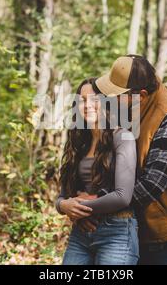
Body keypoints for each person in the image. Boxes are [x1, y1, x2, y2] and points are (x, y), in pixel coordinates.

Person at [77, 55, 167, 265]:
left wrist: (94, 207)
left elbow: (151, 184)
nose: (109, 98)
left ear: (142, 95)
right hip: (135, 226)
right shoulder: (131, 108)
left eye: (116, 94)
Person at [56, 78, 139, 265]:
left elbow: (123, 196)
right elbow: (62, 197)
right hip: (82, 232)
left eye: (94, 99)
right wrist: (64, 207)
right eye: (82, 100)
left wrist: (82, 209)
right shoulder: (77, 143)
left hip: (116, 232)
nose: (88, 105)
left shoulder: (123, 137)